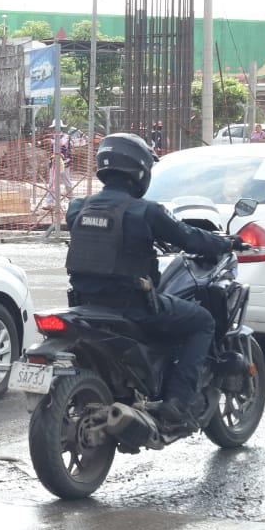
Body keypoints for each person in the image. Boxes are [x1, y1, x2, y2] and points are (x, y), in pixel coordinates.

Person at [64, 133, 234, 433]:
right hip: (133, 307)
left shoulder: (78, 207)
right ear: (140, 171)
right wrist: (224, 244)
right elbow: (188, 237)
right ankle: (177, 404)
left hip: (85, 305)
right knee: (203, 322)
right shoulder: (146, 211)